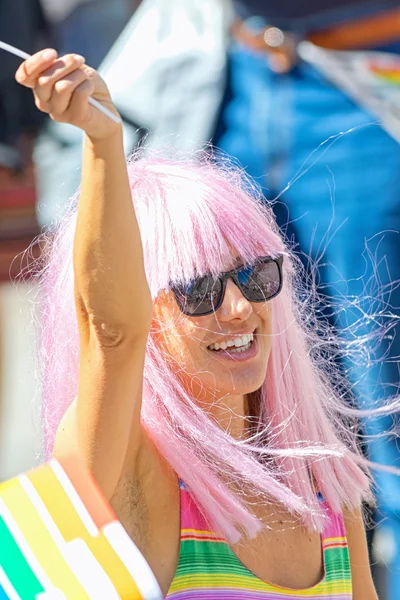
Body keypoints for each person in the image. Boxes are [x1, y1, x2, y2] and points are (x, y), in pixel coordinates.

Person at [15, 49, 387, 599]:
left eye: (256, 276)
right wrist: (102, 141)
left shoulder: (325, 487)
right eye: (198, 290)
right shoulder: (134, 475)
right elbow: (112, 333)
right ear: (147, 311)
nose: (239, 309)